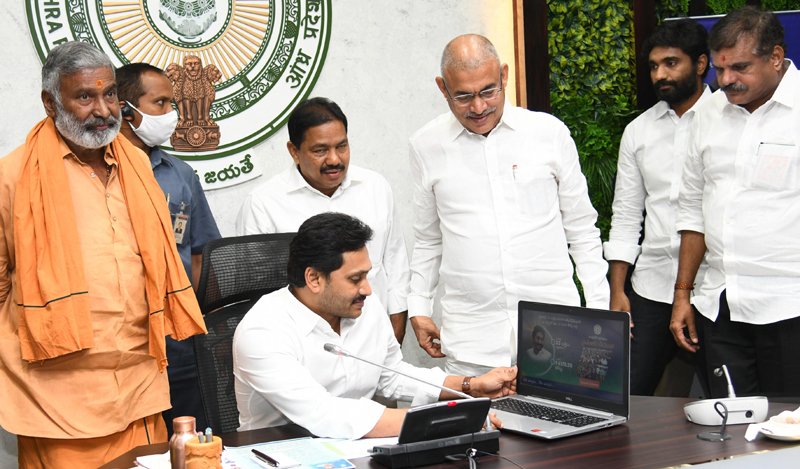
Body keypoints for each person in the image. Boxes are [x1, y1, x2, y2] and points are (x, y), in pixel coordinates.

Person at [0, 42, 206, 468]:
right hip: (55, 397)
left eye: (110, 94)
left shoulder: (137, 166)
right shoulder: (13, 177)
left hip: (140, 385)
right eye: (84, 97)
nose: (104, 110)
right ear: (49, 102)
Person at [408, 34, 609, 377]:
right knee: (481, 429)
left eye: (488, 91)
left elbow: (582, 229)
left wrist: (600, 312)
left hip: (557, 329)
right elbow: (428, 238)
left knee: (565, 426)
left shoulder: (548, 133)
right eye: (463, 96)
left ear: (504, 76)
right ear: (443, 88)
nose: (478, 107)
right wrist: (418, 306)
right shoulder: (426, 145)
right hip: (472, 338)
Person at [232, 212, 517, 438]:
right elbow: (324, 414)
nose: (368, 289)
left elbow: (391, 376)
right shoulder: (262, 330)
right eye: (355, 279)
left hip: (358, 452)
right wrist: (449, 419)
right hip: (278, 454)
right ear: (314, 279)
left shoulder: (362, 307)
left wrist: (470, 387)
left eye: (367, 276)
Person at [671, 7, 800, 398]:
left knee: (790, 435)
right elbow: (693, 207)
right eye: (720, 70)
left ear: (775, 58)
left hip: (789, 307)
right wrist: (683, 294)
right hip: (720, 305)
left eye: (739, 68)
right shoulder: (710, 112)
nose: (725, 81)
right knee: (729, 431)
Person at [236, 97, 410, 345]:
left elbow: (395, 265)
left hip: (373, 339)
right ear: (294, 151)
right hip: (303, 345)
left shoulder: (375, 187)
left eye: (342, 146)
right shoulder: (263, 204)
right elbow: (258, 292)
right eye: (320, 151)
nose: (334, 160)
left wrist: (395, 332)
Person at [604, 19, 711, 396]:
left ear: (700, 64)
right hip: (651, 287)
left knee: (728, 398)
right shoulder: (639, 131)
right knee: (626, 395)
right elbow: (627, 214)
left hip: (713, 287)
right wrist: (618, 291)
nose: (660, 74)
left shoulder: (726, 121)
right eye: (653, 66)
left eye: (670, 63)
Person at [116, 62, 221, 433]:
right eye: (160, 103)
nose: (171, 114)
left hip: (179, 346)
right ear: (124, 110)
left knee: (189, 441)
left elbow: (199, 255)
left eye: (172, 103)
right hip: (124, 344)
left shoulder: (180, 174)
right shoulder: (99, 173)